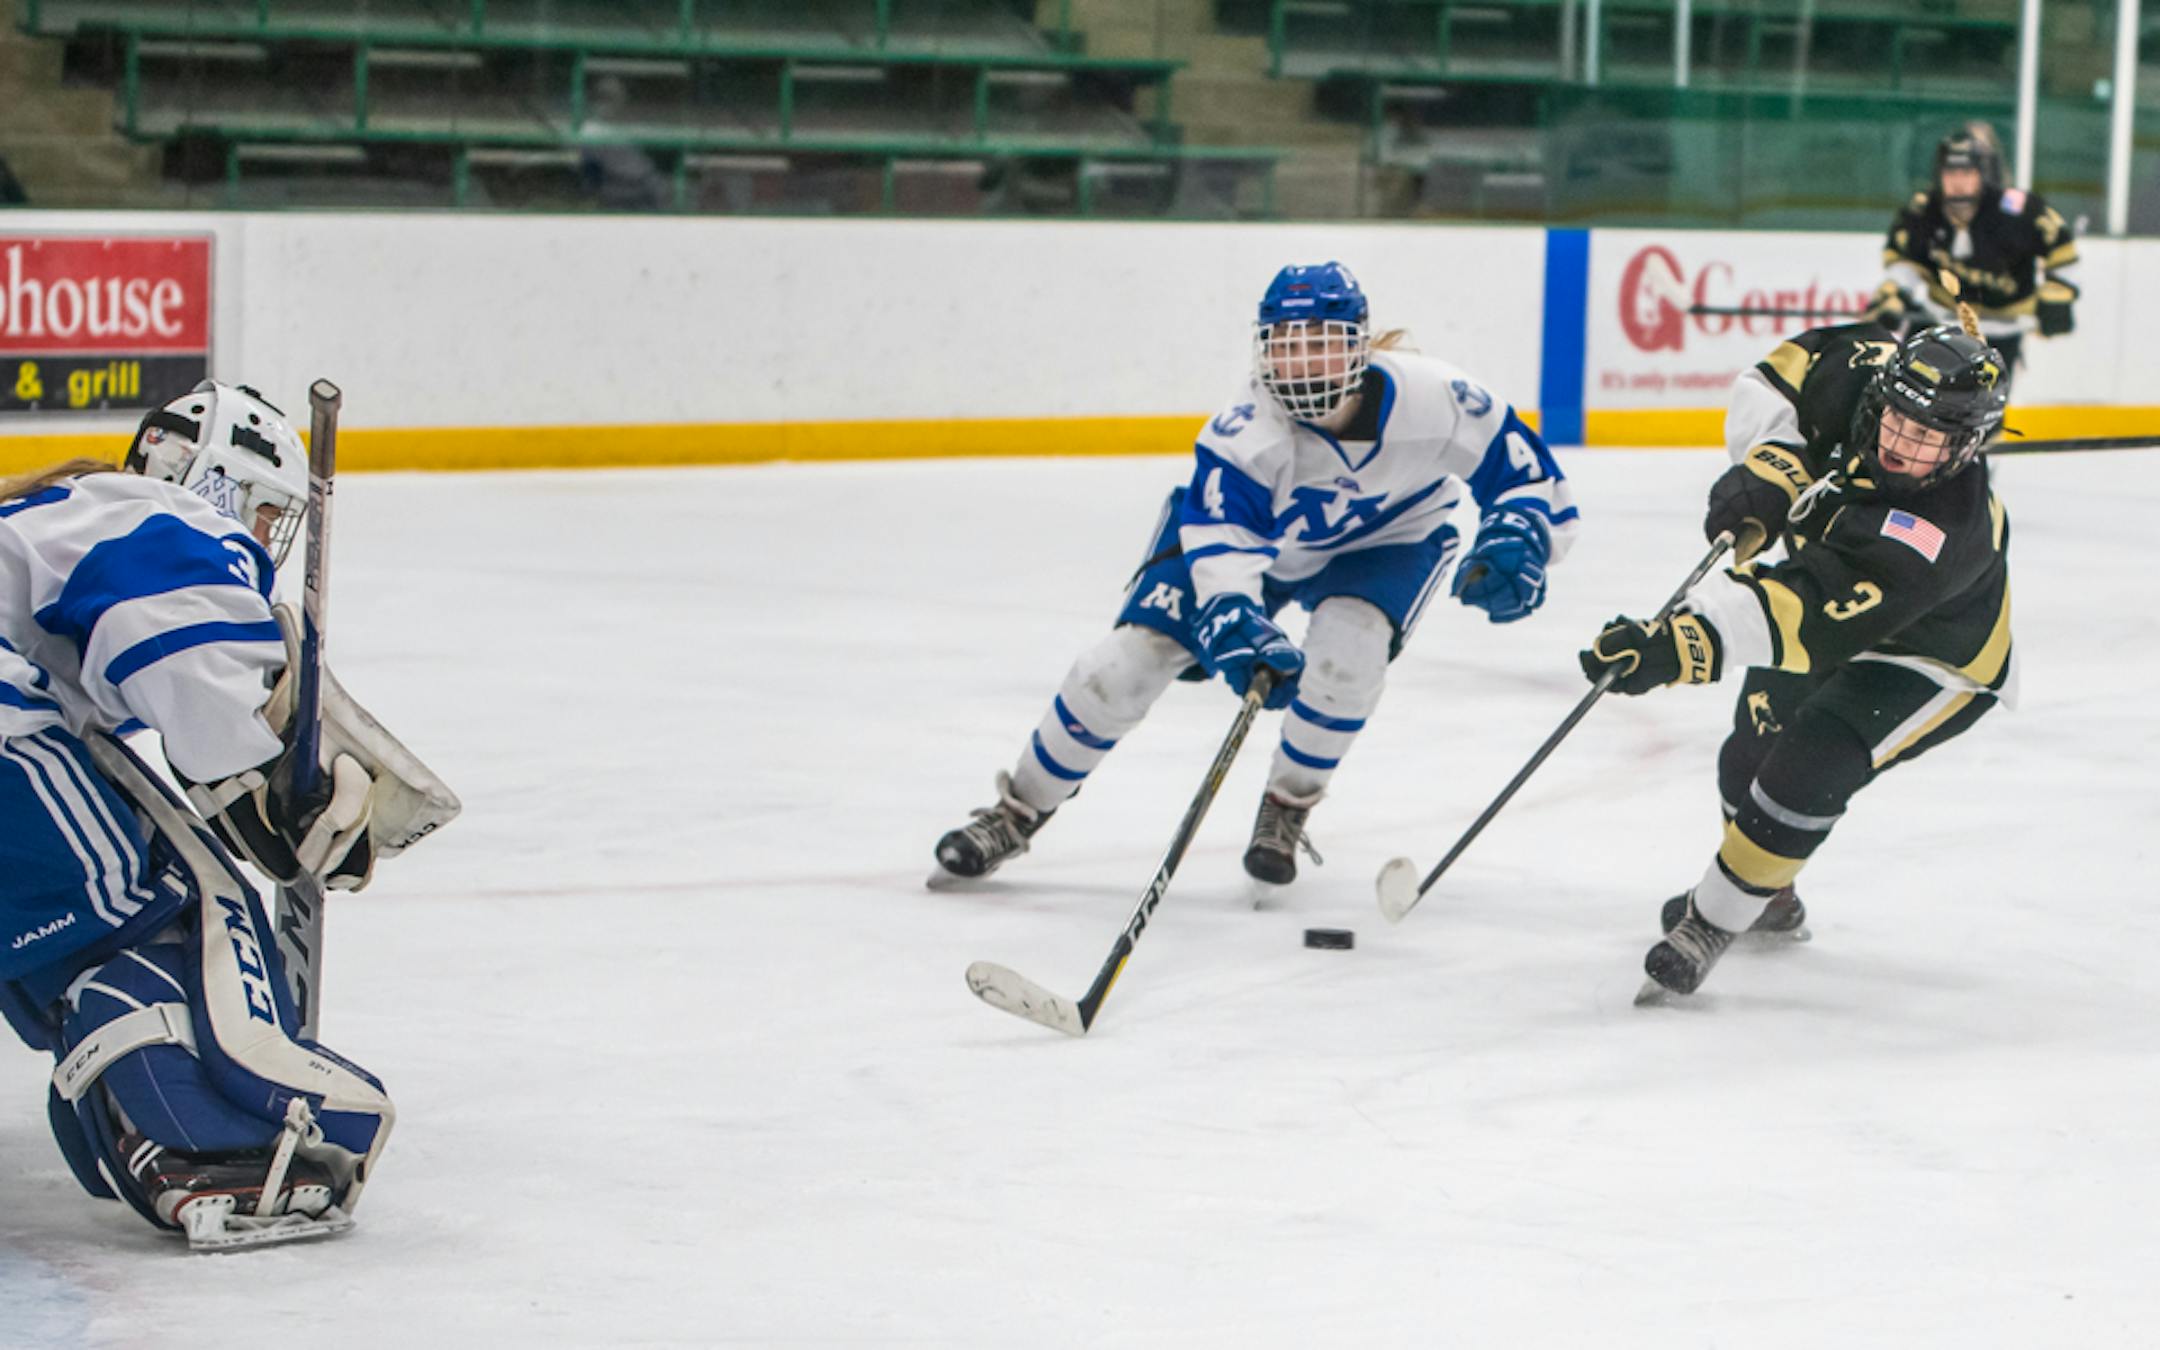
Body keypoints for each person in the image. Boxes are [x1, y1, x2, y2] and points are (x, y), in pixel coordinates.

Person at [931, 262, 1578, 895]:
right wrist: (1235, 622)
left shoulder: (1439, 399)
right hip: (1263, 547)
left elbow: (1529, 479)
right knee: (1126, 664)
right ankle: (1016, 812)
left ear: (1359, 347)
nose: (1301, 365)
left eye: (1322, 345)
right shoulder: (1244, 433)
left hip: (1388, 539)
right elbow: (1223, 557)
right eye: (1286, 348)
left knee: (1348, 658)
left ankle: (1287, 805)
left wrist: (1520, 536)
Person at [0, 380, 456, 1249]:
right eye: (261, 511)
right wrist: (267, 777)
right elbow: (180, 642)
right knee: (157, 911)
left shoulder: (57, 519)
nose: (261, 539)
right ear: (210, 477)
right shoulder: (159, 515)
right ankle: (204, 1147)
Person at [1580, 321, 2012, 1000]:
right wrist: (1773, 465)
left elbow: (1798, 613)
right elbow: (1780, 374)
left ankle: (1710, 923)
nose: (1901, 446)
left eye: (1928, 439)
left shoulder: (1936, 536)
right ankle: (1769, 894)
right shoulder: (1859, 373)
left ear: (1963, 447)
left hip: (1933, 658)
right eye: (1897, 422)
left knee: (1808, 764)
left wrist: (1675, 645)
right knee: (1746, 757)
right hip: (1829, 613)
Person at [1864, 123, 2078, 377]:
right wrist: (1894, 293)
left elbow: (2061, 249)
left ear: (1983, 174)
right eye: (1950, 173)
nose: (1958, 182)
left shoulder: (2017, 211)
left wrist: (2058, 293)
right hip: (1939, 320)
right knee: (1906, 389)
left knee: (1981, 408)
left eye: (1967, 172)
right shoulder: (1923, 210)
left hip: (2001, 330)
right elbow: (1907, 262)